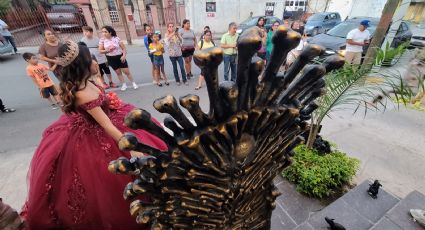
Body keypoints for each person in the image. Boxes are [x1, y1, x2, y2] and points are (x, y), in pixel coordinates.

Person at [22, 40, 167, 229]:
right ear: (83, 64)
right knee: (109, 181)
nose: (95, 61)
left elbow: (102, 102)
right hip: (100, 131)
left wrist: (111, 101)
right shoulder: (82, 93)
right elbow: (106, 125)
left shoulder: (85, 81)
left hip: (107, 119)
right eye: (91, 58)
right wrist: (132, 148)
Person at [99, 26, 138, 91]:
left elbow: (124, 49)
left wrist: (123, 56)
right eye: (102, 32)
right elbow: (100, 51)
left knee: (126, 72)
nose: (103, 33)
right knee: (118, 73)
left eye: (105, 32)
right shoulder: (102, 40)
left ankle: (133, 83)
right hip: (110, 58)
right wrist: (107, 51)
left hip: (120, 57)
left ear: (110, 32)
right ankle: (124, 84)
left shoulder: (116, 38)